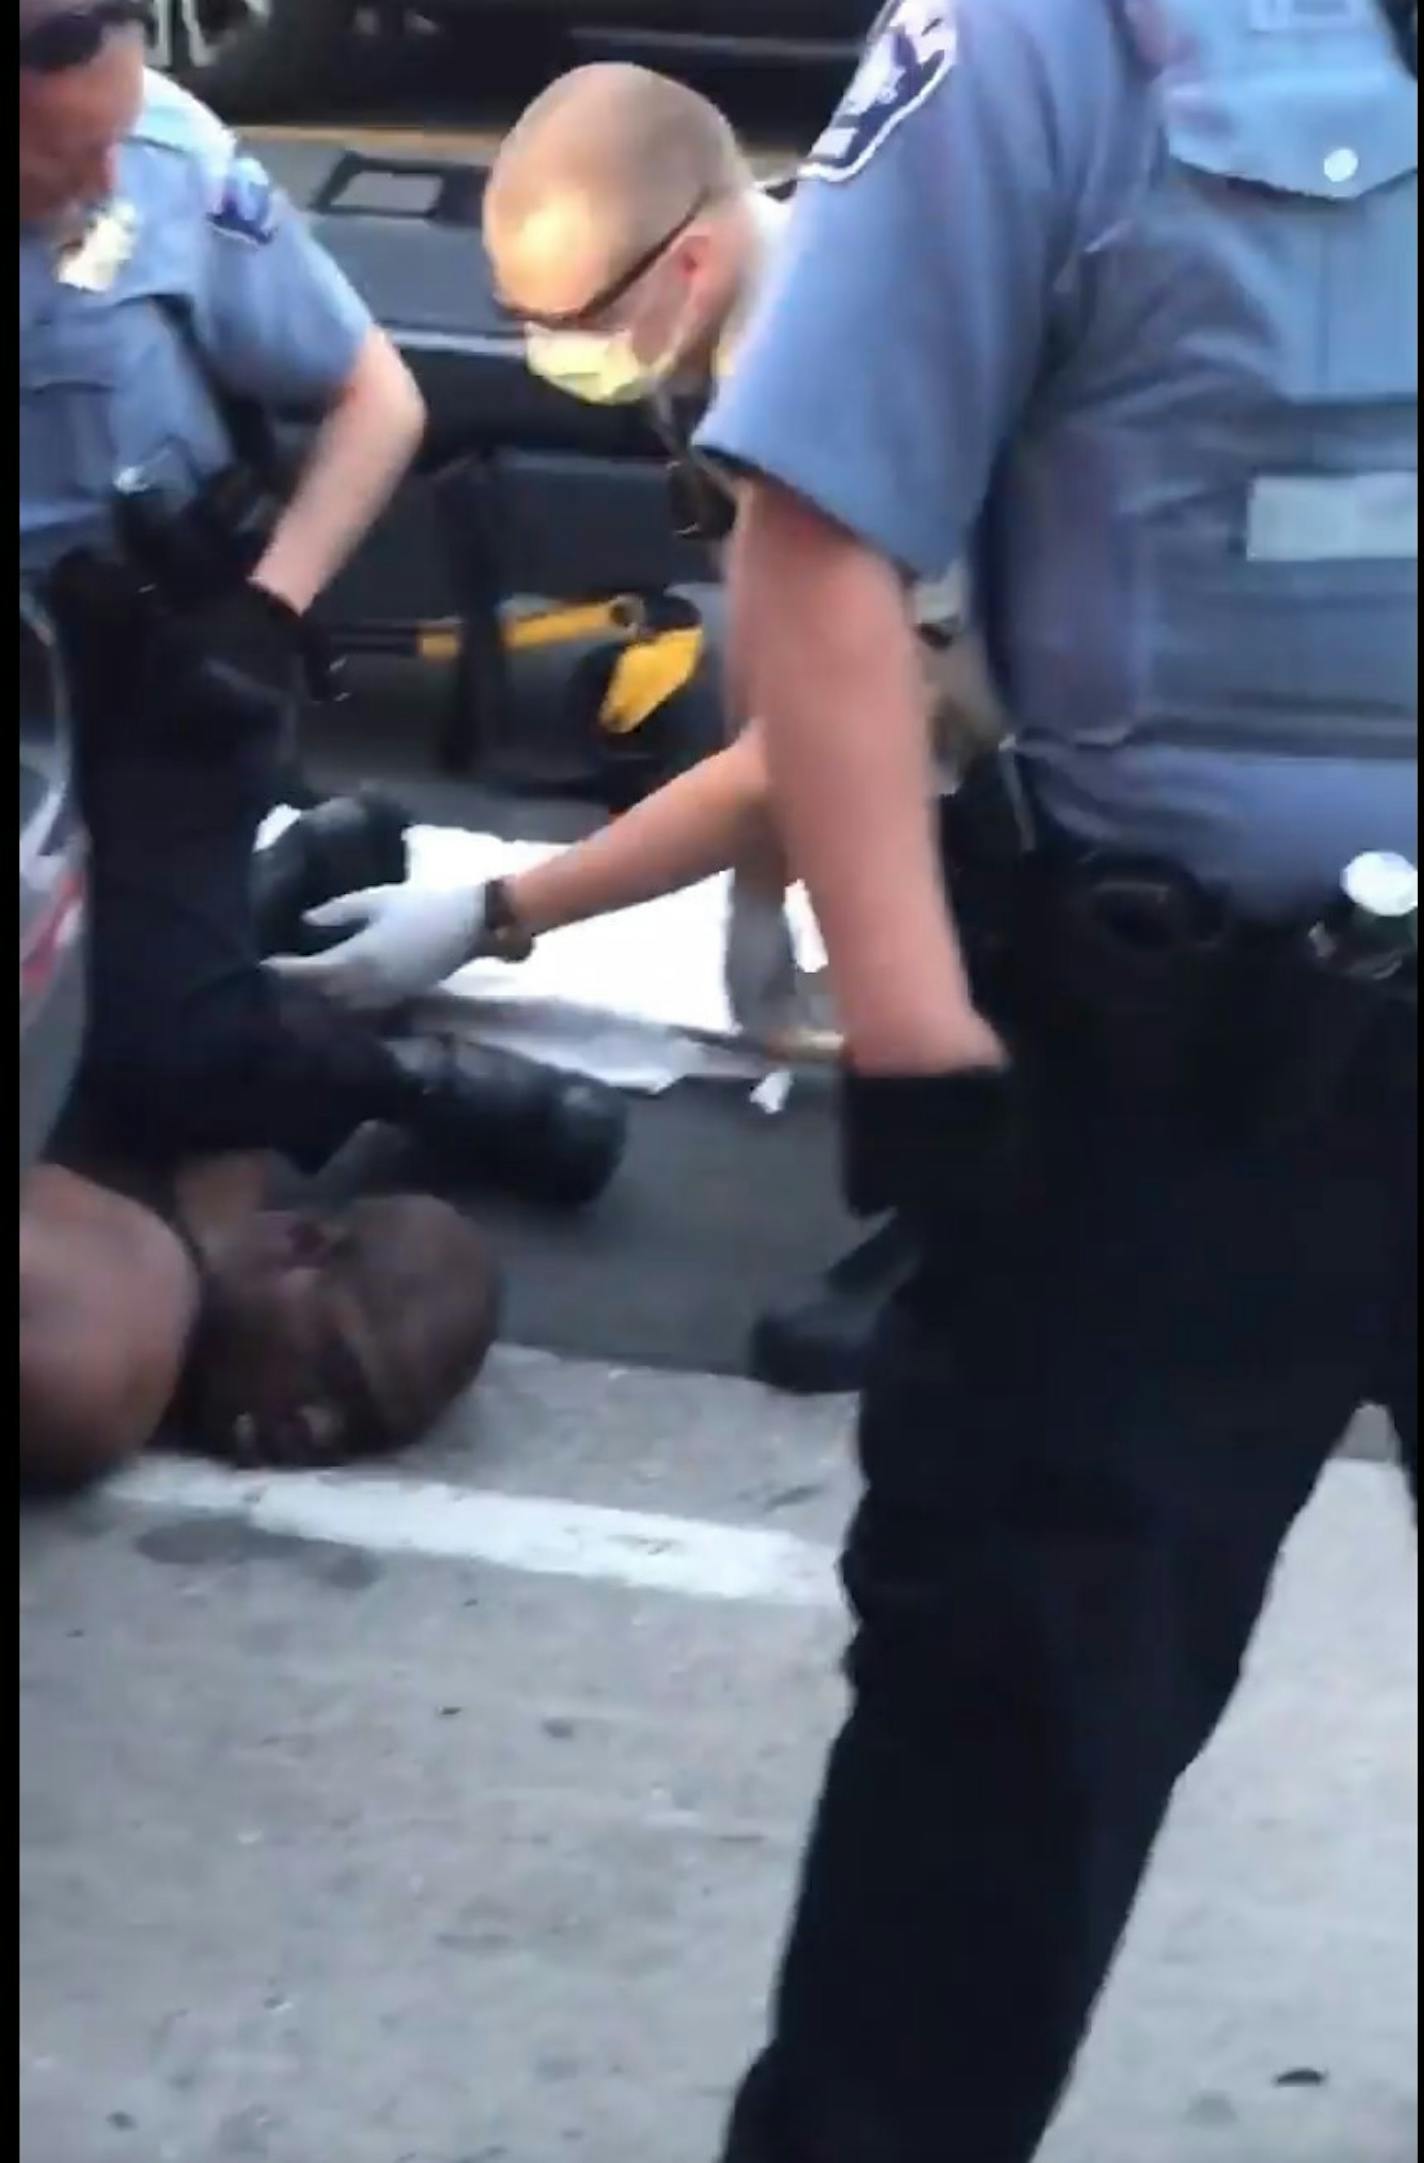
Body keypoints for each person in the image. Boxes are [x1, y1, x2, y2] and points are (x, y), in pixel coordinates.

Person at [684, 0, 1418, 2156]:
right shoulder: (1042, 47)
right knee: (988, 1812)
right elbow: (817, 538)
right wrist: (916, 1042)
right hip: (1173, 1100)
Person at [269, 62, 1005, 1390]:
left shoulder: (832, 371)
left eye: (578, 317)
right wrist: (758, 888)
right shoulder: (722, 317)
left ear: (690, 258)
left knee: (1016, 893)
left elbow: (832, 737)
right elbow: (774, 642)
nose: (558, 350)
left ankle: (978, 1254)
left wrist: (499, 908)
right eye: (526, 318)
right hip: (953, 640)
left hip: (1111, 676)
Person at [19, 6, 627, 1210]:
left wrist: (266, 615)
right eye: (59, 156)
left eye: (114, 138)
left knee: (161, 1064)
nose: (104, 183)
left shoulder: (174, 167)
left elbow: (374, 399)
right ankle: (298, 874)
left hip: (162, 667)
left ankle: (417, 1086)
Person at [20, 1159, 501, 1492]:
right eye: (336, 1372)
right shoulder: (103, 1360)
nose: (317, 1427)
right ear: (302, 1244)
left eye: (360, 1433)